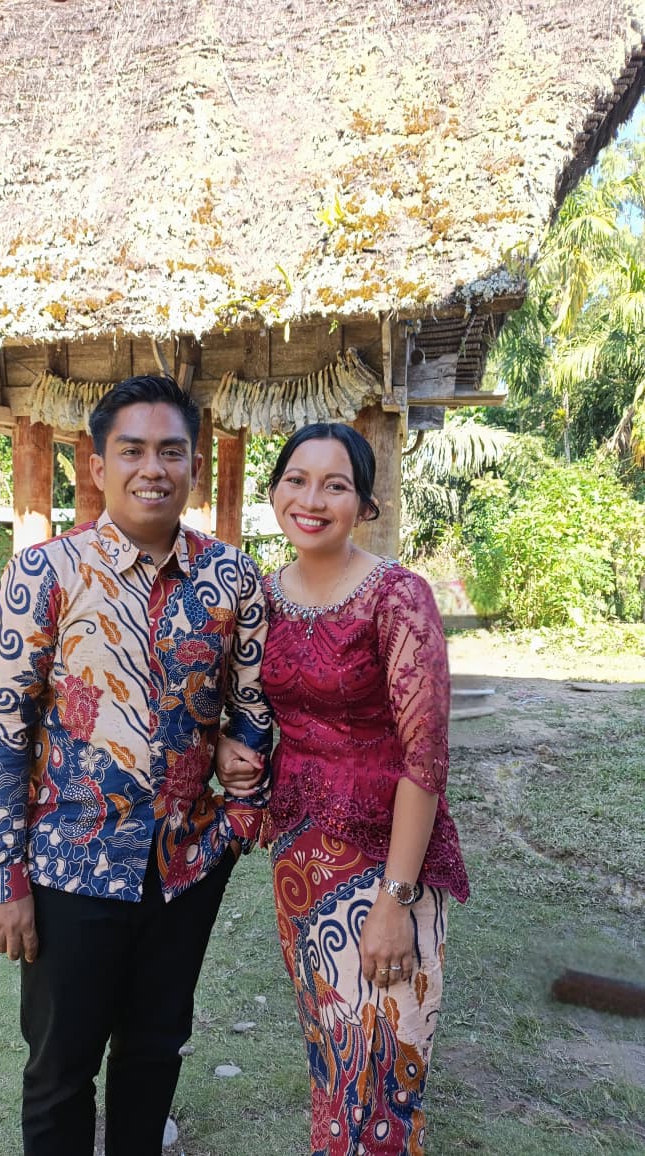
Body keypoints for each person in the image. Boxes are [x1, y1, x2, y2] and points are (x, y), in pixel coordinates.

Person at [0, 375, 272, 1156]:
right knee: (60, 1068)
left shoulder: (234, 578)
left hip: (185, 866)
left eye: (171, 451)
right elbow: (3, 732)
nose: (153, 469)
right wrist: (1, 874)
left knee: (155, 1048)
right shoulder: (44, 574)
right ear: (98, 466)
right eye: (132, 450)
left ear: (195, 466)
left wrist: (240, 810)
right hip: (69, 868)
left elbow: (253, 703)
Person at [217, 422, 469, 1156]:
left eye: (335, 485)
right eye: (296, 480)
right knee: (332, 1050)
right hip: (300, 861)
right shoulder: (262, 597)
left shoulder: (397, 598)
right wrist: (231, 748)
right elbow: (244, 708)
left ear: (364, 503)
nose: (312, 499)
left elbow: (426, 758)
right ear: (274, 491)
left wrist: (395, 900)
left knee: (387, 1057)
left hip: (387, 857)